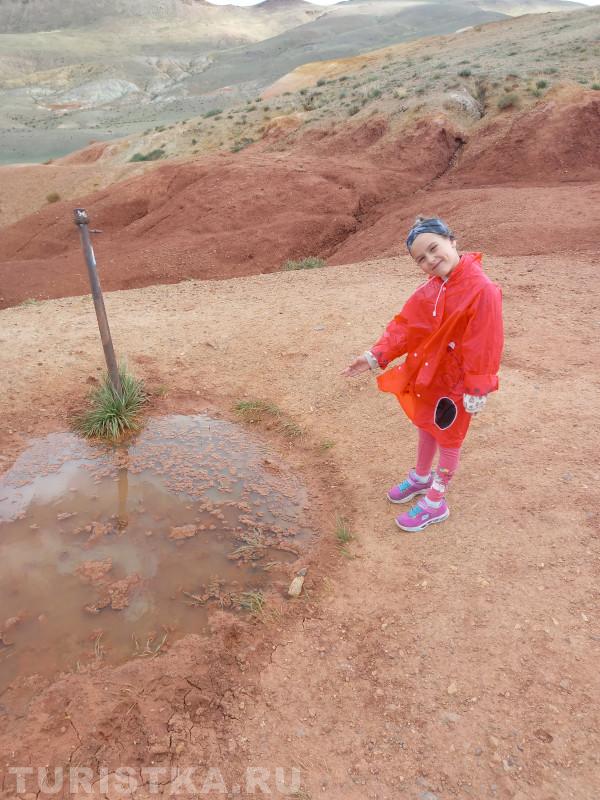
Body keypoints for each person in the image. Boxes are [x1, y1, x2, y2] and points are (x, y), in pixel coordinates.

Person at [342, 216, 503, 532]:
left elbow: (485, 343)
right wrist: (375, 356)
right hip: (430, 376)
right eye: (421, 258)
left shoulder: (483, 290)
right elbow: (405, 328)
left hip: (457, 385)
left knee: (449, 435)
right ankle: (420, 476)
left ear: (451, 241)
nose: (430, 260)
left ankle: (436, 499)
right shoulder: (431, 290)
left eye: (434, 249)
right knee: (426, 424)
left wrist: (477, 387)